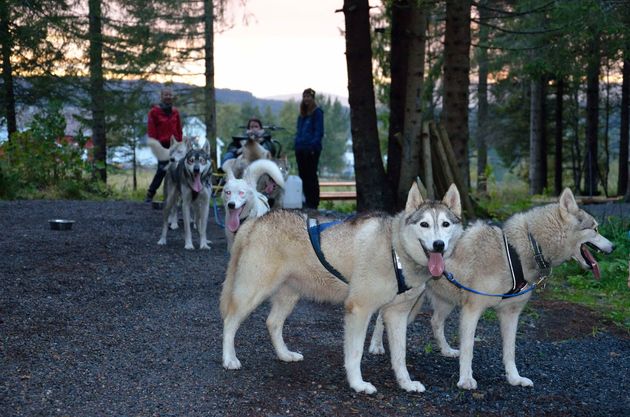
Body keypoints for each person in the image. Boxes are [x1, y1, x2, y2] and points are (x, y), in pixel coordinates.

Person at [145, 87, 183, 203]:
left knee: (177, 170)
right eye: (166, 95)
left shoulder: (175, 112)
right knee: (162, 170)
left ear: (173, 97)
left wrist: (181, 144)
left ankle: (175, 196)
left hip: (175, 145)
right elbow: (151, 130)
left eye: (170, 95)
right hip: (161, 145)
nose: (168, 97)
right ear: (161, 96)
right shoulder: (154, 112)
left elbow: (179, 129)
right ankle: (150, 194)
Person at [294, 88, 324, 210]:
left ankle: (313, 202)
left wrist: (312, 146)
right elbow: (299, 131)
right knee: (302, 175)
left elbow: (319, 131)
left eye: (308, 96)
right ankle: (306, 200)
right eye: (304, 96)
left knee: (311, 175)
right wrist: (296, 143)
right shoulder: (302, 115)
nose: (306, 99)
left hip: (312, 150)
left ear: (313, 98)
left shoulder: (317, 113)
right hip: (300, 149)